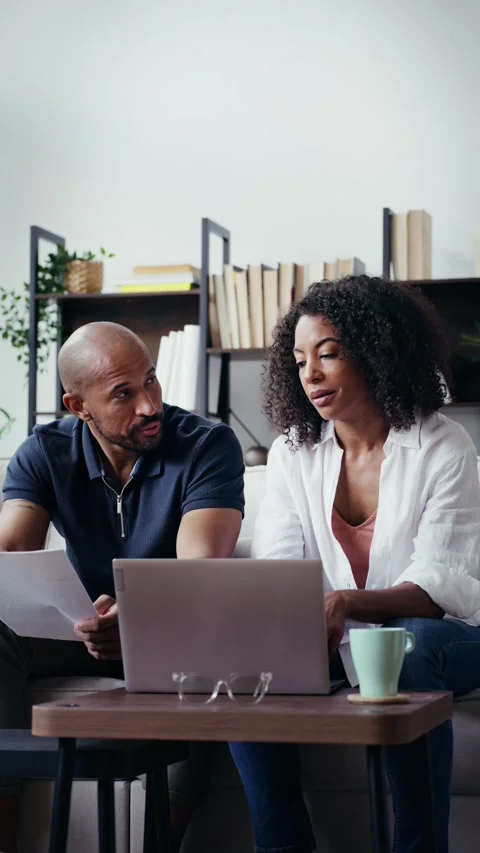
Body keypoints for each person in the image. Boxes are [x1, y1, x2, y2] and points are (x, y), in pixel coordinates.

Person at [229, 275, 480, 853]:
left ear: (376, 351)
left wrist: (345, 603)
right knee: (245, 668)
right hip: (337, 640)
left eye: (329, 354)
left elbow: (441, 583)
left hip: (449, 637)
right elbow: (280, 568)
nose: (310, 375)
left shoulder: (444, 446)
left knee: (408, 643)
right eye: (299, 361)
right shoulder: (295, 451)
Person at [0, 321, 244, 853]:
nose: (150, 406)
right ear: (77, 405)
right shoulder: (43, 452)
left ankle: (164, 835)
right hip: (76, 633)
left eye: (151, 381)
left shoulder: (207, 445)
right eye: (123, 394)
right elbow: (12, 552)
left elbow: (202, 565)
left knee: (220, 644)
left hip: (170, 636)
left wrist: (138, 619)